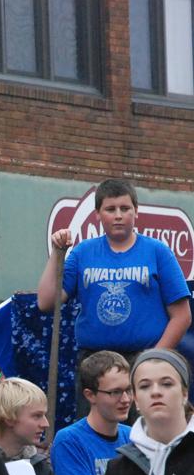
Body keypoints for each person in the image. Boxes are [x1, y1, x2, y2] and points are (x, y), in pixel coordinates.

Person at [37, 178, 191, 418]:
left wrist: (150, 361)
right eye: (110, 209)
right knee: (95, 435)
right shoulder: (81, 253)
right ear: (98, 214)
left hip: (143, 359)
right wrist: (57, 254)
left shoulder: (158, 251)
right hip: (94, 363)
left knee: (144, 436)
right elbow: (46, 302)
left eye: (125, 208)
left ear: (136, 212)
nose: (118, 215)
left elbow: (182, 317)